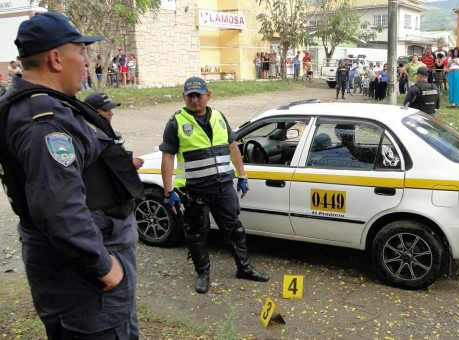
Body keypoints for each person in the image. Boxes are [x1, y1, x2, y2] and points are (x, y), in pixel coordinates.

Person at [0, 12, 142, 338]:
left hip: (69, 266)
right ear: (56, 59)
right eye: (80, 51)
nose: (86, 61)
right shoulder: (45, 121)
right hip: (83, 277)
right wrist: (104, 267)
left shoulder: (40, 106)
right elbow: (58, 206)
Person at [160, 77, 270, 294]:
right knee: (197, 234)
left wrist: (242, 176)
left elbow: (233, 147)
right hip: (194, 190)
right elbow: (167, 157)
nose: (194, 100)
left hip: (223, 187)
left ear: (208, 95)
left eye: (198, 95)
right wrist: (168, 191)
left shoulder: (219, 117)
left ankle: (244, 268)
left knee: (235, 229)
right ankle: (203, 274)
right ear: (183, 97)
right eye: (189, 96)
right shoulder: (176, 123)